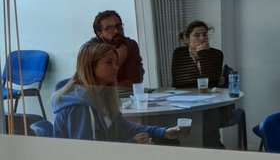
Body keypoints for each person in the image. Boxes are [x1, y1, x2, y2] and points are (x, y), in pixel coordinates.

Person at [52, 41, 186, 143]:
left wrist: (164, 132)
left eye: (116, 63)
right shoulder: (80, 106)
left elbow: (124, 127)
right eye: (109, 63)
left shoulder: (102, 95)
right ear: (90, 66)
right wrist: (132, 143)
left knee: (168, 141)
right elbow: (88, 152)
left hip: (105, 159)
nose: (115, 67)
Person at [170, 20, 229, 148]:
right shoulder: (179, 53)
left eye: (205, 35)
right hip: (186, 99)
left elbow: (210, 82)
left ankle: (214, 148)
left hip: (210, 101)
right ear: (187, 39)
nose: (202, 38)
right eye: (197, 35)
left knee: (207, 116)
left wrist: (203, 55)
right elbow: (180, 81)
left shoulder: (216, 54)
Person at [87, 10, 144, 88]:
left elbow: (135, 80)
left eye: (119, 26)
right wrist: (119, 57)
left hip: (125, 93)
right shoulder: (90, 49)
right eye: (109, 28)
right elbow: (92, 85)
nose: (116, 31)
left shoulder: (130, 45)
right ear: (99, 34)